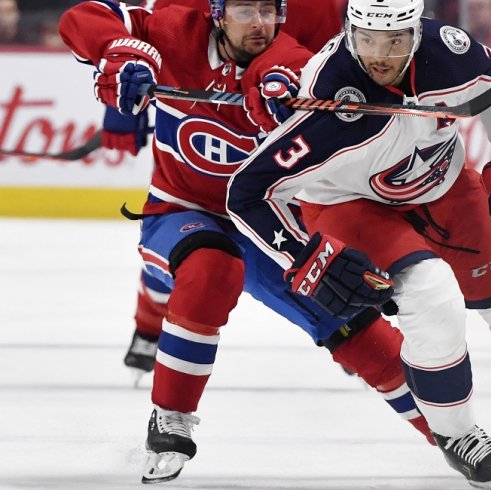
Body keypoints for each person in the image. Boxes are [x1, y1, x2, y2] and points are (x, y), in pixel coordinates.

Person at [226, 0, 491, 488]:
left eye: (393, 40)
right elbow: (246, 192)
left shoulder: (448, 51)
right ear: (351, 31)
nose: (379, 55)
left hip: (443, 185)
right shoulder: (328, 99)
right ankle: (458, 436)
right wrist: (306, 256)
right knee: (433, 299)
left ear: (415, 31)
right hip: (350, 205)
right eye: (367, 38)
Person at [59, 0, 433, 483]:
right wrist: (119, 51)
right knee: (209, 267)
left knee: (350, 319)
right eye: (243, 9)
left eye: (267, 10)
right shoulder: (176, 27)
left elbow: (321, 60)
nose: (258, 22)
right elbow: (82, 17)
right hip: (183, 209)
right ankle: (170, 416)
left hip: (267, 219)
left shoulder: (304, 31)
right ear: (216, 12)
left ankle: (450, 431)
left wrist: (298, 93)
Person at [108, 0, 341, 380]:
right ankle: (150, 322)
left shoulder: (315, 6)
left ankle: (344, 324)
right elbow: (140, 32)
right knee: (181, 222)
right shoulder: (190, 12)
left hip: (273, 132)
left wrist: (300, 99)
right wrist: (120, 102)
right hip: (201, 131)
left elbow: (329, 66)